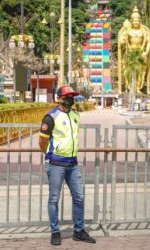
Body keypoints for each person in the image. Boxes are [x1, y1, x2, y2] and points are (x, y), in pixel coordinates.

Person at [39, 86, 96, 246]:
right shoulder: (51, 117)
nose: (71, 99)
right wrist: (50, 155)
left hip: (73, 163)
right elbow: (42, 141)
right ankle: (55, 232)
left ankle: (79, 231)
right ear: (60, 98)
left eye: (72, 96)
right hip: (56, 164)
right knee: (54, 198)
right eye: (67, 96)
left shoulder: (75, 115)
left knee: (79, 197)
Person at [117, 6, 150, 94]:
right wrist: (122, 41)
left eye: (137, 20)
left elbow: (149, 42)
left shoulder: (144, 30)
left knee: (140, 72)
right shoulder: (127, 30)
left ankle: (138, 88)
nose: (136, 22)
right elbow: (121, 41)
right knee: (128, 72)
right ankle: (129, 87)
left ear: (140, 20)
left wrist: (146, 52)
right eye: (134, 20)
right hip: (130, 53)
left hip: (140, 53)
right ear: (131, 20)